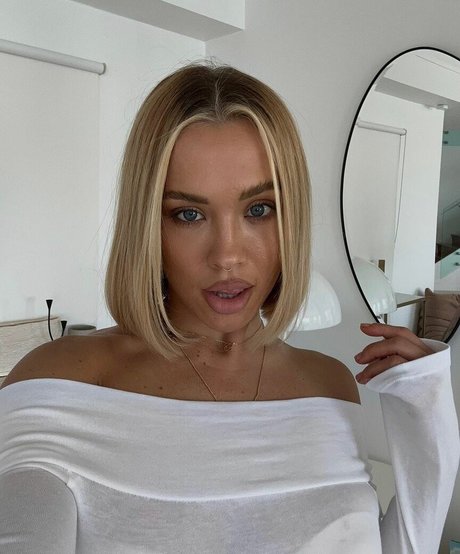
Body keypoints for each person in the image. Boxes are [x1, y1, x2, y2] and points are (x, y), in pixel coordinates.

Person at [0, 61, 458, 554]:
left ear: (291, 217)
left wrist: (426, 404)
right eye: (188, 214)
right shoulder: (59, 382)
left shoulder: (329, 385)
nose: (227, 256)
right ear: (148, 226)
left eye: (259, 209)